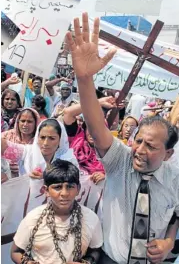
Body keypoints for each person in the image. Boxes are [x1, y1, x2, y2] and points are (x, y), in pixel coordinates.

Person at [66, 13, 179, 263]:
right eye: (138, 140)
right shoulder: (120, 161)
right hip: (111, 259)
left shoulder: (175, 179)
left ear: (168, 154)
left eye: (150, 146)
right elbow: (96, 127)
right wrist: (85, 79)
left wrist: (170, 241)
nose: (139, 149)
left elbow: (176, 215)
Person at [11, 159, 103, 264]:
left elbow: (95, 249)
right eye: (57, 187)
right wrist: (27, 262)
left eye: (70, 187)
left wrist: (87, 262)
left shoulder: (90, 218)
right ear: (46, 191)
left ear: (78, 189)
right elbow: (15, 252)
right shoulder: (33, 218)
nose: (64, 193)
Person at [63, 96, 117, 184]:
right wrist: (99, 102)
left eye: (99, 129)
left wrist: (106, 176)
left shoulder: (110, 152)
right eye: (91, 128)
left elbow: (117, 175)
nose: (93, 133)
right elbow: (68, 112)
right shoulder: (76, 137)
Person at [1, 118, 78, 177]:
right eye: (42, 137)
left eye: (52, 138)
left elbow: (75, 184)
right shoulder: (27, 152)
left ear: (60, 140)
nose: (45, 143)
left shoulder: (69, 159)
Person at [2, 108, 41, 177]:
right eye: (23, 121)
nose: (25, 124)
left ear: (36, 123)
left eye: (29, 122)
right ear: (18, 122)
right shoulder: (6, 136)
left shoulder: (40, 140)